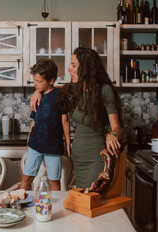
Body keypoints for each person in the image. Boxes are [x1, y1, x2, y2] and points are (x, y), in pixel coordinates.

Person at [31, 47, 122, 189]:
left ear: (86, 68)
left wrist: (112, 134)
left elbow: (116, 126)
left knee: (93, 198)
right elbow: (50, 89)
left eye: (73, 65)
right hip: (78, 155)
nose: (68, 69)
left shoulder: (104, 90)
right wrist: (38, 92)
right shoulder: (74, 89)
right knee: (82, 201)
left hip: (96, 156)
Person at [21, 59, 71, 191]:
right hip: (35, 144)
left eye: (39, 82)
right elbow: (34, 121)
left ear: (51, 80)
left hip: (53, 146)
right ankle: (20, 204)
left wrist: (68, 143)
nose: (35, 85)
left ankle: (57, 209)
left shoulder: (60, 96)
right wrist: (28, 140)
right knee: (26, 178)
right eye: (34, 81)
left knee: (54, 181)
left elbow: (65, 121)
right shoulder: (37, 97)